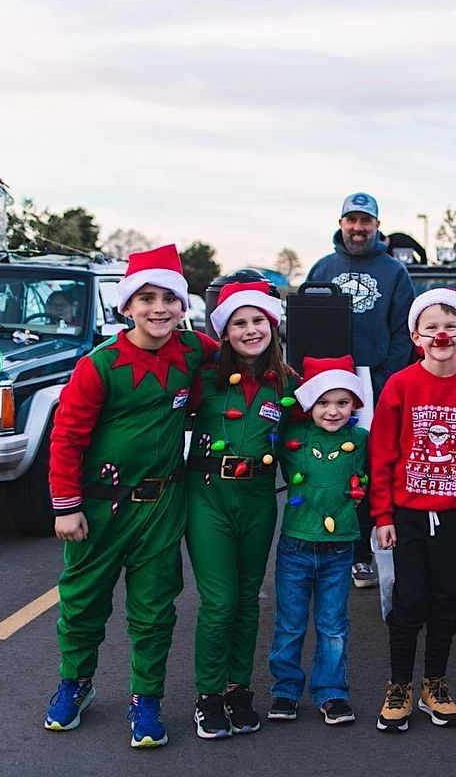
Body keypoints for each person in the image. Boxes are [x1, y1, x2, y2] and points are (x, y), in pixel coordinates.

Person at [44, 244, 215, 748]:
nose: (158, 308)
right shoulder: (99, 365)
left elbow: (248, 361)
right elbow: (66, 437)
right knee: (81, 602)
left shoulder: (195, 350)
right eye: (146, 298)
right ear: (127, 306)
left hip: (163, 506)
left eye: (169, 298)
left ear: (184, 306)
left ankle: (147, 697)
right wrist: (66, 505)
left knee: (155, 608)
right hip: (99, 508)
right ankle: (75, 682)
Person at [370, 287, 456, 733]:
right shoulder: (401, 384)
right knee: (409, 602)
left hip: (454, 513)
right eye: (431, 328)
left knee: (447, 602)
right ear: (416, 335)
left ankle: (435, 683)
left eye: (450, 327)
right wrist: (383, 515)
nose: (441, 335)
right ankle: (400, 684)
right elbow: (383, 453)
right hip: (408, 512)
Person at [185, 278, 299, 740]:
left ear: (272, 325)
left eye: (258, 321)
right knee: (219, 600)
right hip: (208, 494)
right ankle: (208, 696)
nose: (251, 330)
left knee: (249, 599)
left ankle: (238, 690)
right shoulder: (204, 377)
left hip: (257, 498)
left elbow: (309, 441)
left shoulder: (289, 385)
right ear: (224, 331)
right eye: (239, 323)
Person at [307, 192, 416, 591]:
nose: (358, 228)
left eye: (365, 221)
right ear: (341, 223)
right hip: (328, 381)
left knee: (370, 464)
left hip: (375, 382)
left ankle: (363, 552)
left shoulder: (394, 272)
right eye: (351, 220)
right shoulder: (322, 267)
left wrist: (387, 379)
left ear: (376, 225)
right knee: (329, 462)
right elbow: (306, 326)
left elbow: (405, 330)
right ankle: (328, 546)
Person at [267, 355, 370, 726]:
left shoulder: (360, 440)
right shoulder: (291, 437)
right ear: (309, 404)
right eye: (323, 402)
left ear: (355, 405)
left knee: (333, 624)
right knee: (290, 622)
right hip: (295, 545)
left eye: (342, 402)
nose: (332, 411)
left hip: (339, 549)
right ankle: (285, 689)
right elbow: (276, 410)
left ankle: (331, 692)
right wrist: (295, 386)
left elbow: (376, 478)